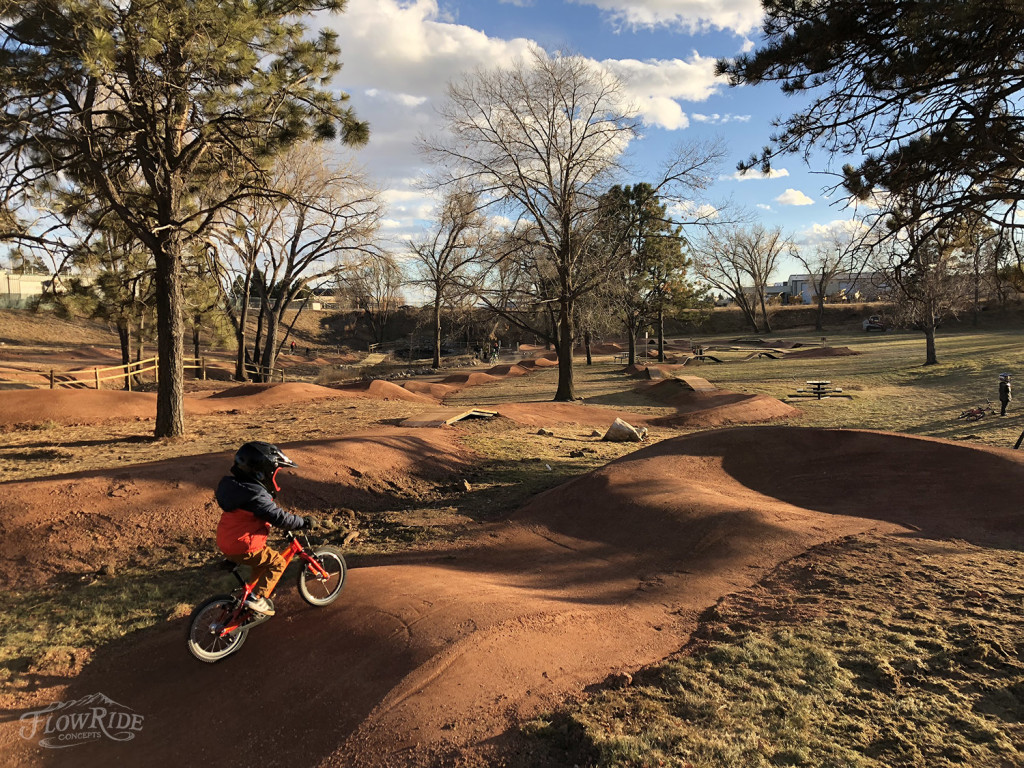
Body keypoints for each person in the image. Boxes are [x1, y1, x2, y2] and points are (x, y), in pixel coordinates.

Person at [215, 441, 314, 615]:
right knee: (277, 563)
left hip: (226, 540)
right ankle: (257, 599)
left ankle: (249, 597)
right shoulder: (256, 496)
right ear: (262, 473)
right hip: (243, 545)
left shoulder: (237, 488)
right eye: (274, 473)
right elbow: (278, 517)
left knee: (262, 563)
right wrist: (303, 522)